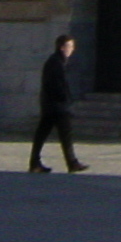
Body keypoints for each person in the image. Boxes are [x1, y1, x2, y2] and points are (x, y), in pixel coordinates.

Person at [29, 35, 88, 174]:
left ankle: (35, 163)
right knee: (65, 134)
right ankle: (71, 163)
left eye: (72, 47)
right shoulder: (55, 62)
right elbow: (56, 85)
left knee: (43, 134)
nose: (72, 50)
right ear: (62, 47)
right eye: (69, 46)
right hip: (57, 106)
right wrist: (64, 99)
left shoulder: (57, 61)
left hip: (51, 105)